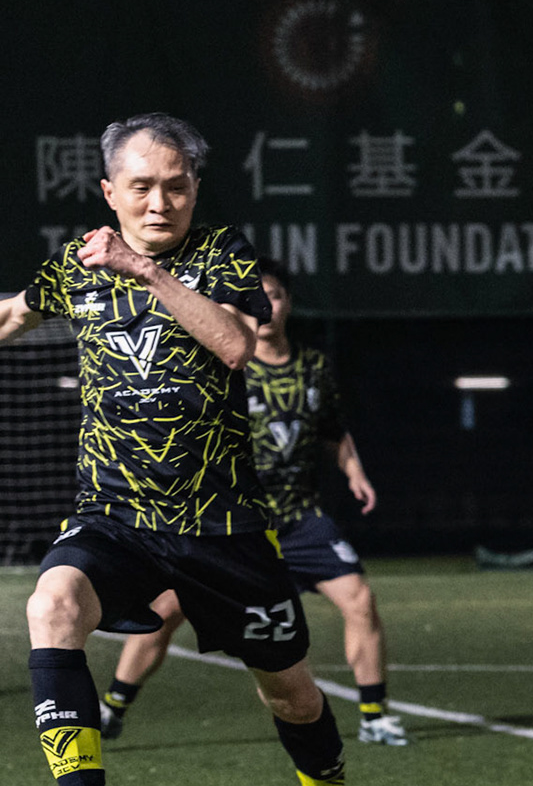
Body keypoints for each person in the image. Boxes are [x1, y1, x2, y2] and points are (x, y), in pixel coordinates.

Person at [0, 113, 391, 786]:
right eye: (140, 186)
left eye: (175, 185)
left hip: (223, 528)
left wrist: (146, 274)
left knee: (292, 694)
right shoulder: (73, 269)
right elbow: (10, 315)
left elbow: (237, 344)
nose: (158, 202)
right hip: (115, 514)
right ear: (109, 191)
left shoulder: (221, 255)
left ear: (194, 189)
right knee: (52, 603)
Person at [98, 260, 408, 748]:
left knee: (361, 600)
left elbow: (332, 429)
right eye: (254, 297)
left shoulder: (315, 367)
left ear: (289, 303)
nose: (266, 306)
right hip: (234, 520)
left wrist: (356, 472)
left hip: (301, 518)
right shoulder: (222, 365)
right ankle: (113, 706)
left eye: (276, 295)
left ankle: (375, 716)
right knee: (167, 608)